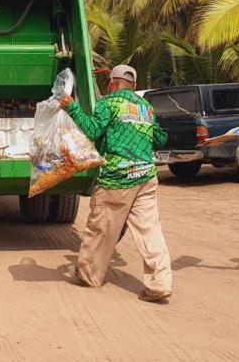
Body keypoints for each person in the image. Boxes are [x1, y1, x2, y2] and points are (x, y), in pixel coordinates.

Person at [59, 65, 172, 302]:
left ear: (111, 84)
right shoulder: (145, 107)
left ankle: (88, 275)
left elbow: (91, 130)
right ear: (134, 85)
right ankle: (160, 283)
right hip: (146, 177)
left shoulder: (109, 104)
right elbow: (160, 138)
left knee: (100, 230)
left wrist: (71, 107)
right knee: (150, 231)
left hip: (117, 179)